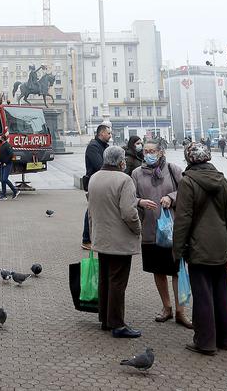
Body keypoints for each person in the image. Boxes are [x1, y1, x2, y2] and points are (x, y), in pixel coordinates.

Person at [171, 142, 227, 357]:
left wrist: (177, 250)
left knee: (203, 295)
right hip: (220, 243)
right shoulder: (223, 180)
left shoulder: (187, 182)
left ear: (189, 159)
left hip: (198, 244)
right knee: (221, 292)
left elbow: (183, 219)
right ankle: (225, 338)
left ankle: (205, 341)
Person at [130, 140, 189, 329]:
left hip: (172, 230)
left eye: (152, 151)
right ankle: (167, 307)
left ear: (161, 152)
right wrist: (140, 202)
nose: (148, 153)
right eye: (146, 151)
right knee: (158, 270)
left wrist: (171, 198)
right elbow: (130, 197)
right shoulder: (137, 173)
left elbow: (187, 192)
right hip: (150, 230)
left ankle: (181, 311)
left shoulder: (173, 169)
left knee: (176, 271)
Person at [87, 144, 142, 338]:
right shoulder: (124, 180)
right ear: (120, 161)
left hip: (101, 238)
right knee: (118, 282)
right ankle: (117, 324)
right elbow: (128, 212)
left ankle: (105, 318)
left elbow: (91, 210)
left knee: (105, 279)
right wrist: (138, 229)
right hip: (120, 241)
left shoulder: (94, 178)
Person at [82, 124, 111, 250]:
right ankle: (86, 239)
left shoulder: (103, 146)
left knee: (99, 210)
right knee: (91, 210)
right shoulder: (93, 147)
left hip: (102, 181)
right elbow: (100, 165)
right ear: (101, 134)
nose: (110, 135)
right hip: (95, 182)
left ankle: (98, 237)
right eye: (108, 133)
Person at [0, 135, 19, 200]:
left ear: (3, 139)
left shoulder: (7, 145)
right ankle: (4, 195)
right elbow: (0, 156)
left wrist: (5, 162)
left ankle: (15, 191)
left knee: (4, 179)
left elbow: (11, 154)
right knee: (2, 180)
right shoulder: (2, 146)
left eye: (0, 137)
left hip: (7, 164)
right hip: (2, 164)